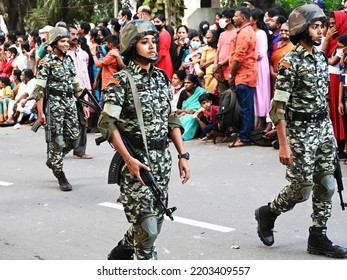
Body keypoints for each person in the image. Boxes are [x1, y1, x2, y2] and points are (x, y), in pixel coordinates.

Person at [255, 4, 347, 258]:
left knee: (327, 184)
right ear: (302, 30)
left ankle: (318, 236)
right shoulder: (289, 62)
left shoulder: (319, 58)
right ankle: (269, 212)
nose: (321, 32)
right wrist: (283, 144)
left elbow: (321, 98)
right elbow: (278, 107)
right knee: (301, 189)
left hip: (322, 129)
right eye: (316, 27)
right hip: (299, 132)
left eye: (322, 27)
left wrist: (329, 132)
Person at [98, 19, 190, 260]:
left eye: (153, 41)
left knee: (155, 222)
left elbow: (171, 119)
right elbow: (107, 123)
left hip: (162, 161)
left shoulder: (161, 78)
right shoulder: (121, 81)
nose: (152, 46)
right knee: (148, 232)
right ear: (131, 46)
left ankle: (123, 249)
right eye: (144, 42)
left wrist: (182, 155)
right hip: (136, 164)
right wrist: (128, 159)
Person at [33, 26, 89, 192]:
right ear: (54, 43)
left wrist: (83, 104)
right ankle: (59, 172)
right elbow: (39, 89)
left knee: (74, 138)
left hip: (70, 103)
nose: (66, 43)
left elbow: (76, 85)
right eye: (63, 41)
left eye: (67, 40)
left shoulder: (68, 60)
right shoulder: (46, 62)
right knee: (57, 139)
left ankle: (53, 158)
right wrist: (40, 112)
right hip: (55, 105)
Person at [228, 7, 258, 148]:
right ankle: (247, 135)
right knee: (248, 108)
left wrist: (231, 75)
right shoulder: (247, 31)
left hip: (244, 75)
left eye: (235, 16)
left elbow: (238, 57)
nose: (233, 18)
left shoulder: (244, 33)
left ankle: (245, 137)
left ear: (243, 18)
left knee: (245, 109)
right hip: (247, 75)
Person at [67, 25, 93, 159]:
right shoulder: (64, 54)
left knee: (83, 121)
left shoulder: (82, 53)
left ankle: (80, 150)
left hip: (82, 91)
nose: (75, 37)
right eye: (72, 34)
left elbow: (85, 74)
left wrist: (88, 92)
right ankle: (60, 148)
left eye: (76, 34)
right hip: (67, 93)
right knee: (67, 122)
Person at [176, 74, 207, 140]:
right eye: (185, 83)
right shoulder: (183, 93)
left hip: (196, 114)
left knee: (191, 119)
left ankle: (182, 136)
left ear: (195, 84)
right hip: (184, 113)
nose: (186, 84)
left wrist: (195, 112)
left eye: (188, 83)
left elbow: (205, 106)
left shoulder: (201, 92)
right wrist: (185, 111)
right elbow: (177, 109)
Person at [153, 14, 174, 80]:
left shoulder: (164, 34)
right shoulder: (160, 34)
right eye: (154, 22)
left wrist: (154, 63)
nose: (156, 24)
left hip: (163, 62)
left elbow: (162, 53)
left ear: (163, 23)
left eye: (158, 22)